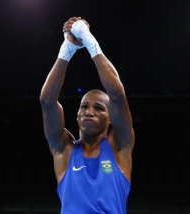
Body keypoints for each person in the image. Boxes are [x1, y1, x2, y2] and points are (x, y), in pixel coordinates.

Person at [39, 16, 135, 214]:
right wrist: (67, 49)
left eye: (99, 108)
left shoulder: (120, 146)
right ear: (76, 115)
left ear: (110, 119)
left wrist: (88, 39)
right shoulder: (64, 151)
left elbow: (117, 94)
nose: (89, 112)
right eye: (84, 107)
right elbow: (47, 102)